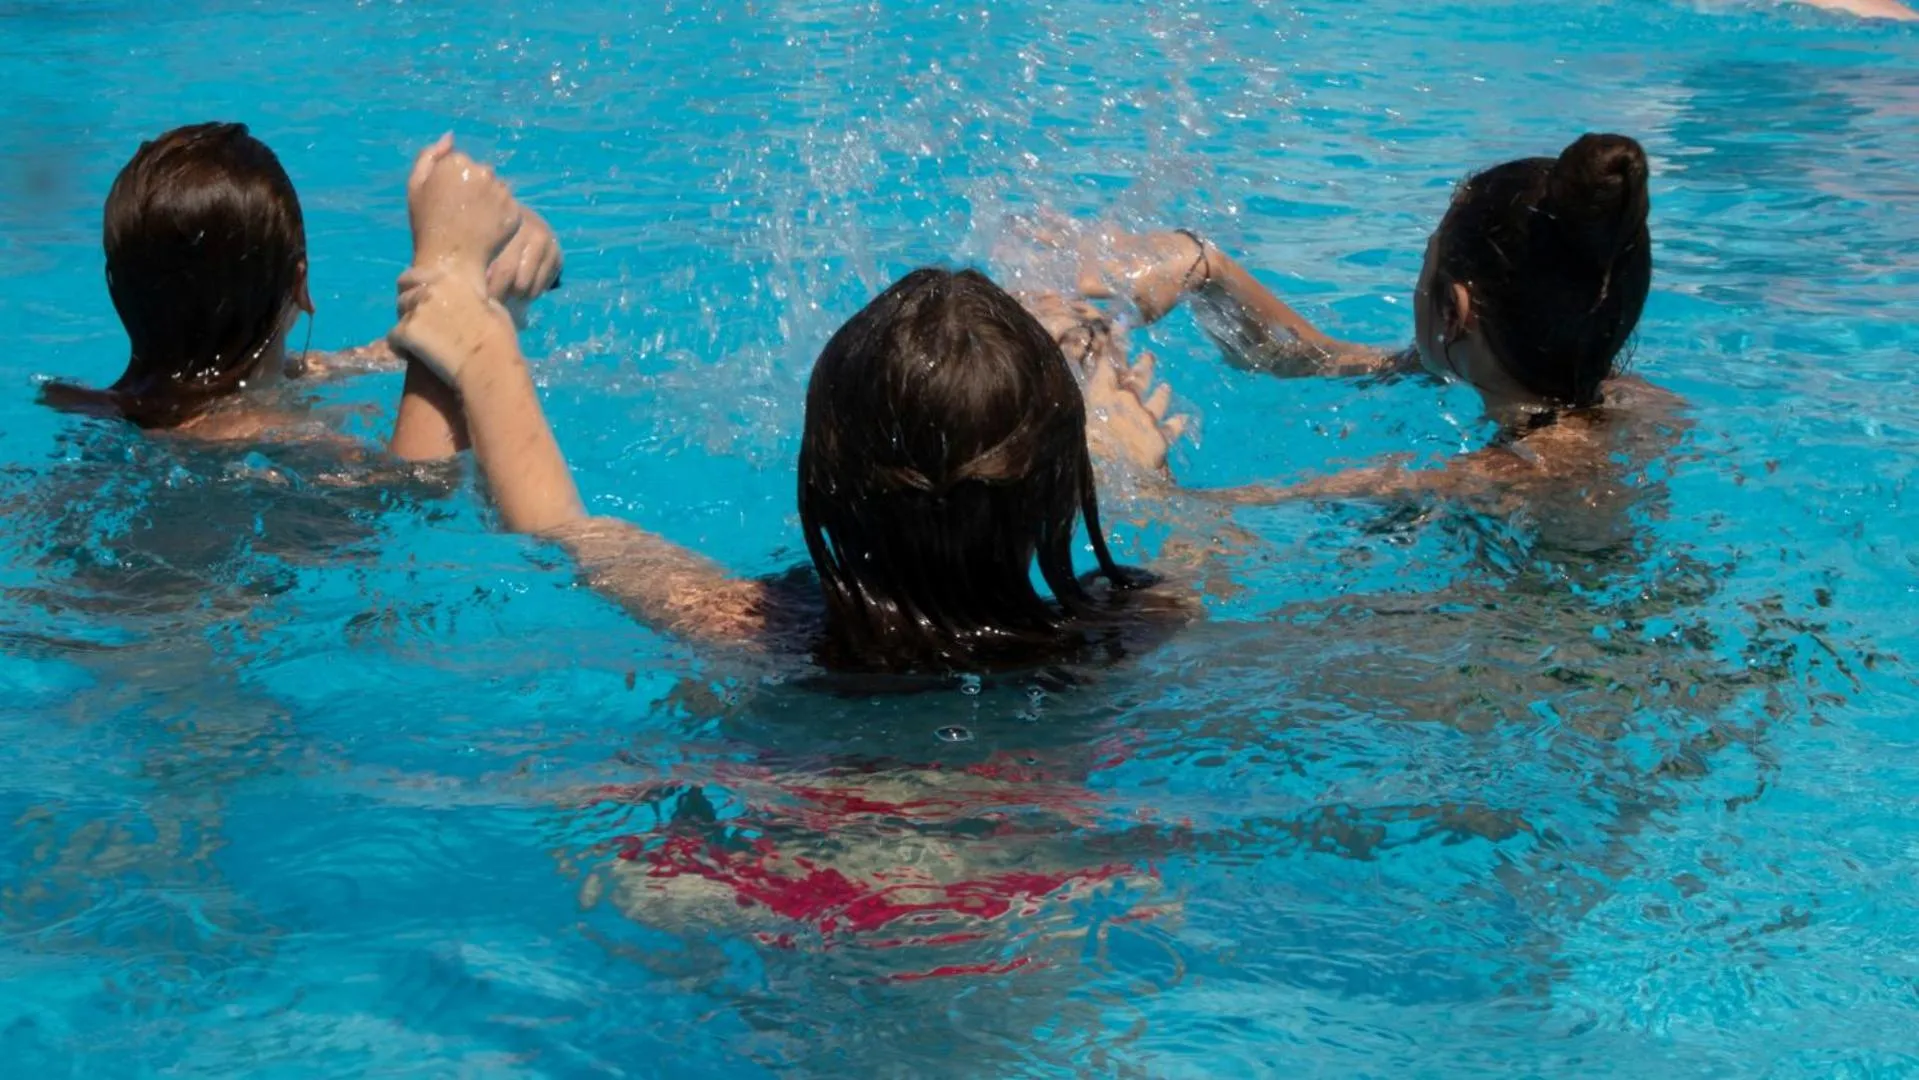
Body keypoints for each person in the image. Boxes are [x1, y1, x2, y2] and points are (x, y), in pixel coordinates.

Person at [385, 143, 1191, 676]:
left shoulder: (770, 631)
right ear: (1055, 487)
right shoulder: (1126, 630)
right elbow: (1209, 559)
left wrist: (479, 326)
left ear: (817, 479)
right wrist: (1141, 475)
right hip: (1027, 892)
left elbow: (562, 526)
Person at [1072, 132, 1685, 512]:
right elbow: (1307, 358)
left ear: (1454, 312)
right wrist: (1204, 267)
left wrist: (1135, 466)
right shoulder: (1576, 385)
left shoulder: (1509, 476)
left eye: (1425, 262)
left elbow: (1213, 515)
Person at [38, 122, 562, 445]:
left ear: (116, 289)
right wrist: (443, 263)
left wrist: (490, 274)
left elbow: (383, 354)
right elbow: (418, 490)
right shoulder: (264, 436)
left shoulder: (82, 402)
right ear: (300, 287)